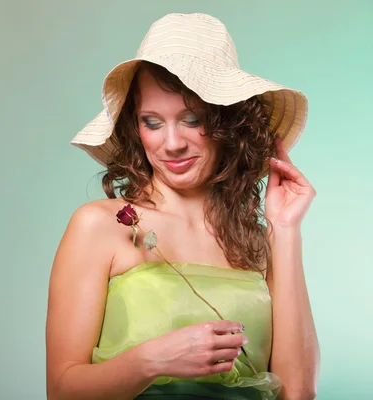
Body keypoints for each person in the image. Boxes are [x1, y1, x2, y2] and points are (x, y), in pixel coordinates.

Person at [45, 13, 319, 400]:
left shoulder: (258, 240)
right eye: (152, 122)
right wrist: (152, 361)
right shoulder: (100, 226)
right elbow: (61, 390)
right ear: (134, 127)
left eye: (192, 119)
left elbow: (299, 393)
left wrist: (286, 230)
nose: (171, 143)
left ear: (227, 125)